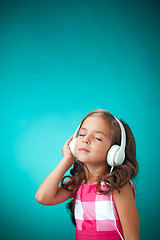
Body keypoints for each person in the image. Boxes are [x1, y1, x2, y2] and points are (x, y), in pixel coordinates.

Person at [35, 109, 140, 240]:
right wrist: (66, 160)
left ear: (115, 152)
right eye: (82, 134)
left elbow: (133, 236)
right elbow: (43, 197)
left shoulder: (118, 186)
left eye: (97, 138)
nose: (86, 140)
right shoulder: (78, 183)